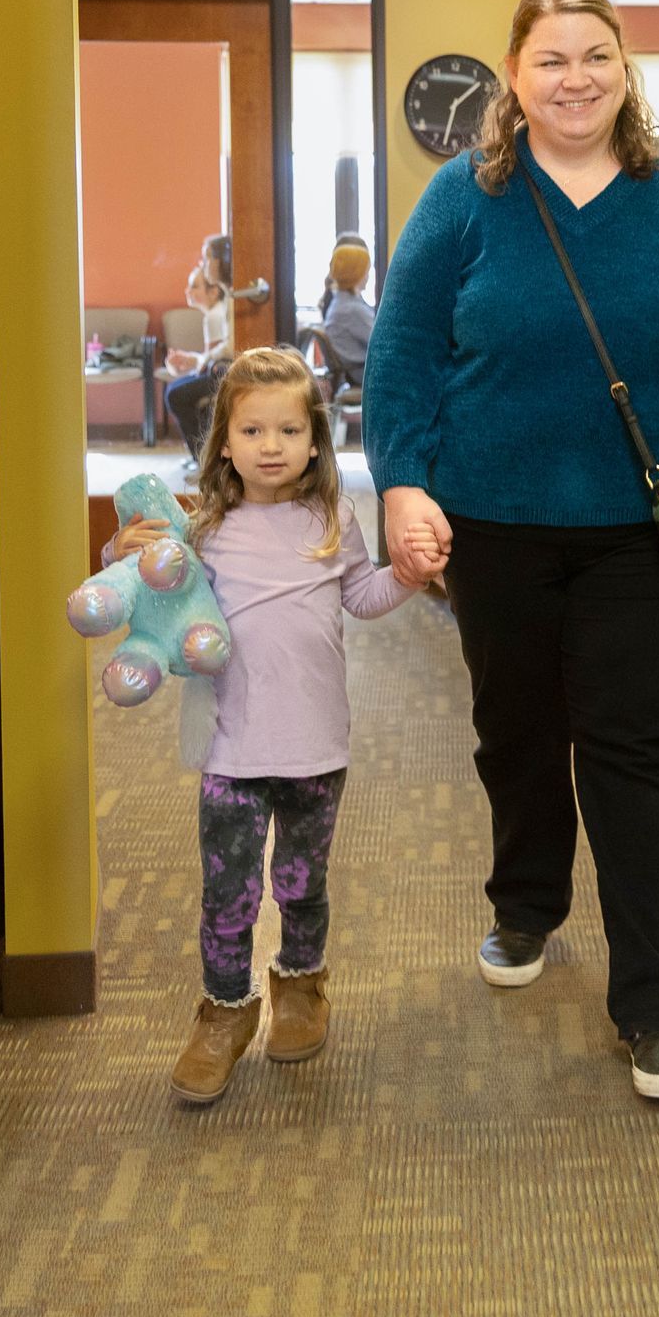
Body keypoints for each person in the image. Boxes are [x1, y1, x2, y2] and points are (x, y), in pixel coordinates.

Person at [364, 0, 659, 1103]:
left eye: (595, 57)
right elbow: (404, 352)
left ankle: (656, 1002)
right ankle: (526, 900)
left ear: (625, 69)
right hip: (494, 522)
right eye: (552, 59)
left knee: (637, 753)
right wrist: (401, 483)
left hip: (645, 534)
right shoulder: (466, 198)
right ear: (515, 76)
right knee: (515, 728)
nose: (575, 79)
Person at [105, 346, 426, 1106]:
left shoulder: (334, 517)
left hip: (316, 744)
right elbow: (151, 587)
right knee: (229, 892)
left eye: (287, 431)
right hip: (231, 745)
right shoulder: (205, 526)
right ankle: (223, 1011)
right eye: (253, 432)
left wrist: (408, 578)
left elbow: (361, 597)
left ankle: (300, 988)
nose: (271, 447)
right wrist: (121, 549)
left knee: (302, 882)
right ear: (224, 441)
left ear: (316, 440)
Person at [165, 232, 234, 464]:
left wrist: (197, 361)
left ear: (222, 261)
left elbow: (231, 346)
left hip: (230, 370)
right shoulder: (228, 299)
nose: (204, 266)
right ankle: (202, 455)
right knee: (177, 389)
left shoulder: (230, 301)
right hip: (222, 365)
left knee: (176, 393)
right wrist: (196, 360)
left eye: (207, 260)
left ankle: (204, 457)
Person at [317, 240, 375, 393]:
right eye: (366, 270)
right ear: (356, 272)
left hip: (355, 373)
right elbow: (382, 341)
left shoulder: (341, 303)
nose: (368, 276)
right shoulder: (351, 310)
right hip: (363, 374)